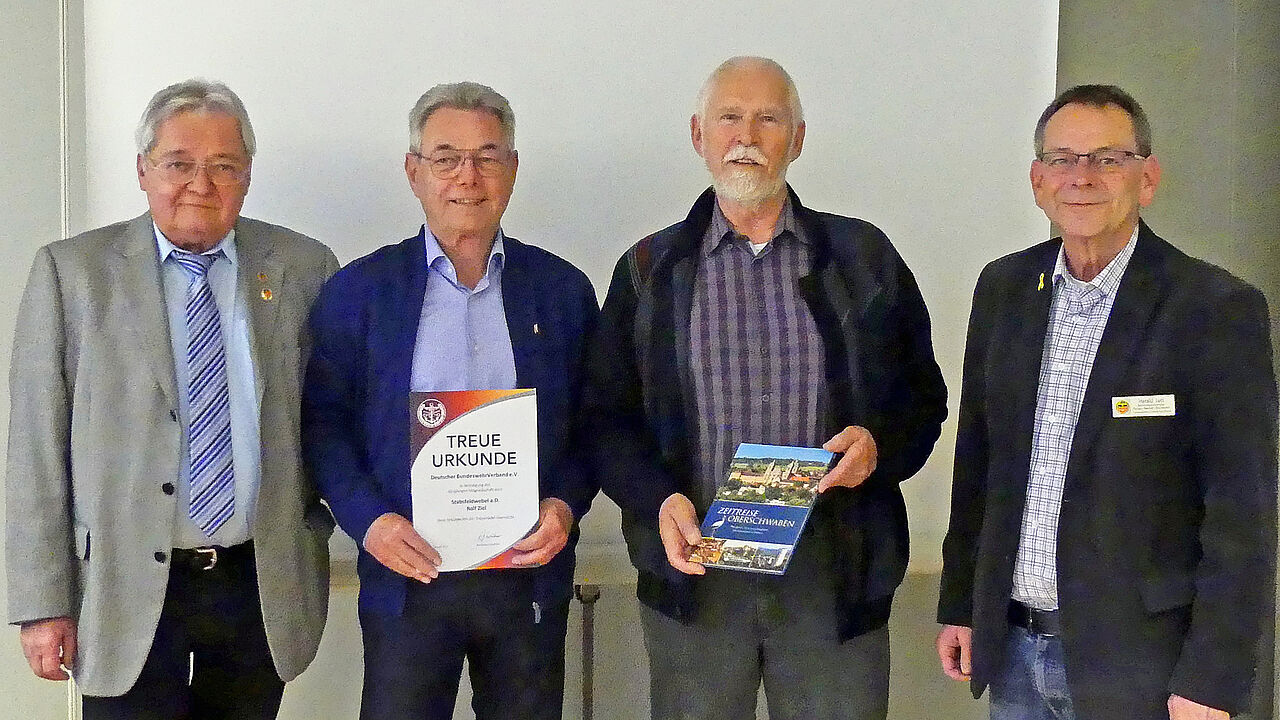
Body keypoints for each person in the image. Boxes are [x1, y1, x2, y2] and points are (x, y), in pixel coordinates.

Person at [586, 56, 948, 720]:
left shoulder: (863, 258)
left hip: (830, 575)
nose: (746, 136)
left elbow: (924, 399)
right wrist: (657, 498)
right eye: (729, 117)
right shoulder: (648, 269)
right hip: (696, 571)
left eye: (768, 119)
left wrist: (879, 447)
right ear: (698, 135)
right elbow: (605, 419)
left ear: (798, 139)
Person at [935, 84, 1278, 720]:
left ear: (1147, 179)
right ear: (1038, 181)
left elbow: (1242, 514)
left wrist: (1213, 676)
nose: (1083, 177)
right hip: (1013, 654)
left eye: (1108, 159)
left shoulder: (1213, 309)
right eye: (1063, 159)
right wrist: (962, 603)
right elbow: (978, 462)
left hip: (1145, 667)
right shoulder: (1005, 288)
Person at [6, 79, 338, 719]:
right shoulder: (73, 274)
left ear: (247, 174)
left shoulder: (305, 267)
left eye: (224, 166)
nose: (200, 184)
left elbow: (332, 420)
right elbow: (35, 452)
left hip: (258, 583)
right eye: (178, 164)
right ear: (143, 170)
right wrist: (41, 603)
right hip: (120, 587)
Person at [302, 81, 598, 720]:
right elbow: (323, 426)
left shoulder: (563, 291)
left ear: (512, 170)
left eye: (488, 157)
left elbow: (593, 425)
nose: (468, 176)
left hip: (526, 579)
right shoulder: (360, 291)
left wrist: (565, 506)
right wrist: (369, 523)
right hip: (407, 578)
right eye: (446, 158)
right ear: (414, 172)